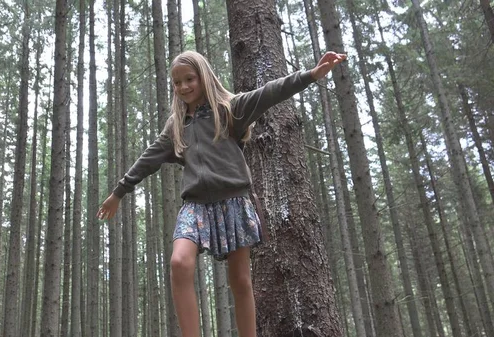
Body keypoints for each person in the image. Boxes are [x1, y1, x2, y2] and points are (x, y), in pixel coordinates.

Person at [98, 50, 346, 337]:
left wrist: (311, 75)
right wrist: (119, 191)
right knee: (179, 262)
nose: (183, 87)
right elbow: (148, 159)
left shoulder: (229, 109)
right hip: (196, 206)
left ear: (203, 77)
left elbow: (269, 92)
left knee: (240, 281)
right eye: (177, 83)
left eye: (189, 79)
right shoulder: (177, 126)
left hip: (234, 202)